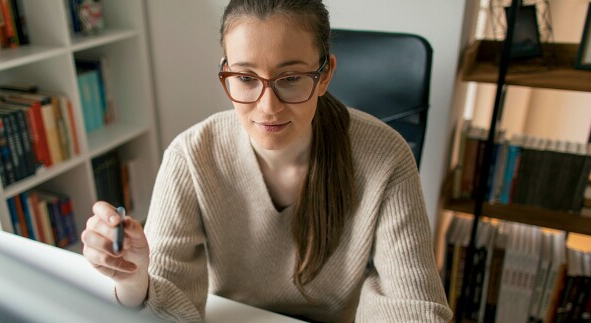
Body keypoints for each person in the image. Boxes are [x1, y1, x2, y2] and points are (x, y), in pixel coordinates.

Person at [82, 0, 452, 321]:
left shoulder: (386, 157)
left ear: (325, 76)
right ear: (225, 72)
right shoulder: (191, 157)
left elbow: (414, 306)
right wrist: (134, 279)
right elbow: (172, 312)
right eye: (245, 77)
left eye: (290, 78)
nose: (268, 107)